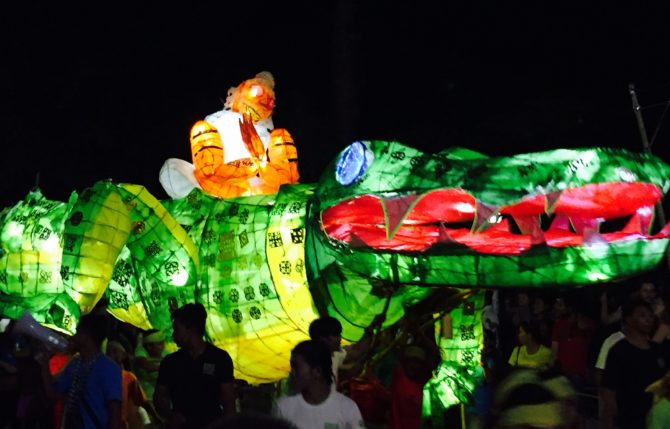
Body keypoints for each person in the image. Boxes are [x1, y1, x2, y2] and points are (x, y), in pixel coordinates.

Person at [154, 303, 237, 429]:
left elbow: (229, 402)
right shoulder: (170, 362)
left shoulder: (219, 358)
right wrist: (170, 415)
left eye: (176, 329)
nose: (173, 335)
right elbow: (159, 397)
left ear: (190, 329)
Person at [45, 313, 122, 429]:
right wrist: (43, 364)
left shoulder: (109, 368)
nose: (74, 336)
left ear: (86, 336)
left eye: (77, 331)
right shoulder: (75, 364)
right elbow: (54, 394)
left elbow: (115, 413)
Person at [601, 297, 668, 429]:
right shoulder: (619, 351)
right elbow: (609, 392)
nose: (648, 319)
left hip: (658, 419)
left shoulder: (657, 349)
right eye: (642, 315)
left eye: (650, 316)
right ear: (628, 319)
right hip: (631, 420)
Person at [273, 340, 365, 429]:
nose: (291, 373)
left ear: (317, 371)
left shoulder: (347, 408)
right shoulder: (283, 407)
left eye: (296, 367)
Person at [308, 314, 384, 391]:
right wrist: (349, 373)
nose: (340, 339)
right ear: (323, 338)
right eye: (336, 335)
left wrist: (372, 326)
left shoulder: (334, 354)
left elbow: (356, 351)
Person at [106, 340, 158, 429]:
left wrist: (156, 417)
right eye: (108, 352)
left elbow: (142, 401)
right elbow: (143, 402)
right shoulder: (124, 377)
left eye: (115, 351)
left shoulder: (128, 377)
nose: (111, 355)